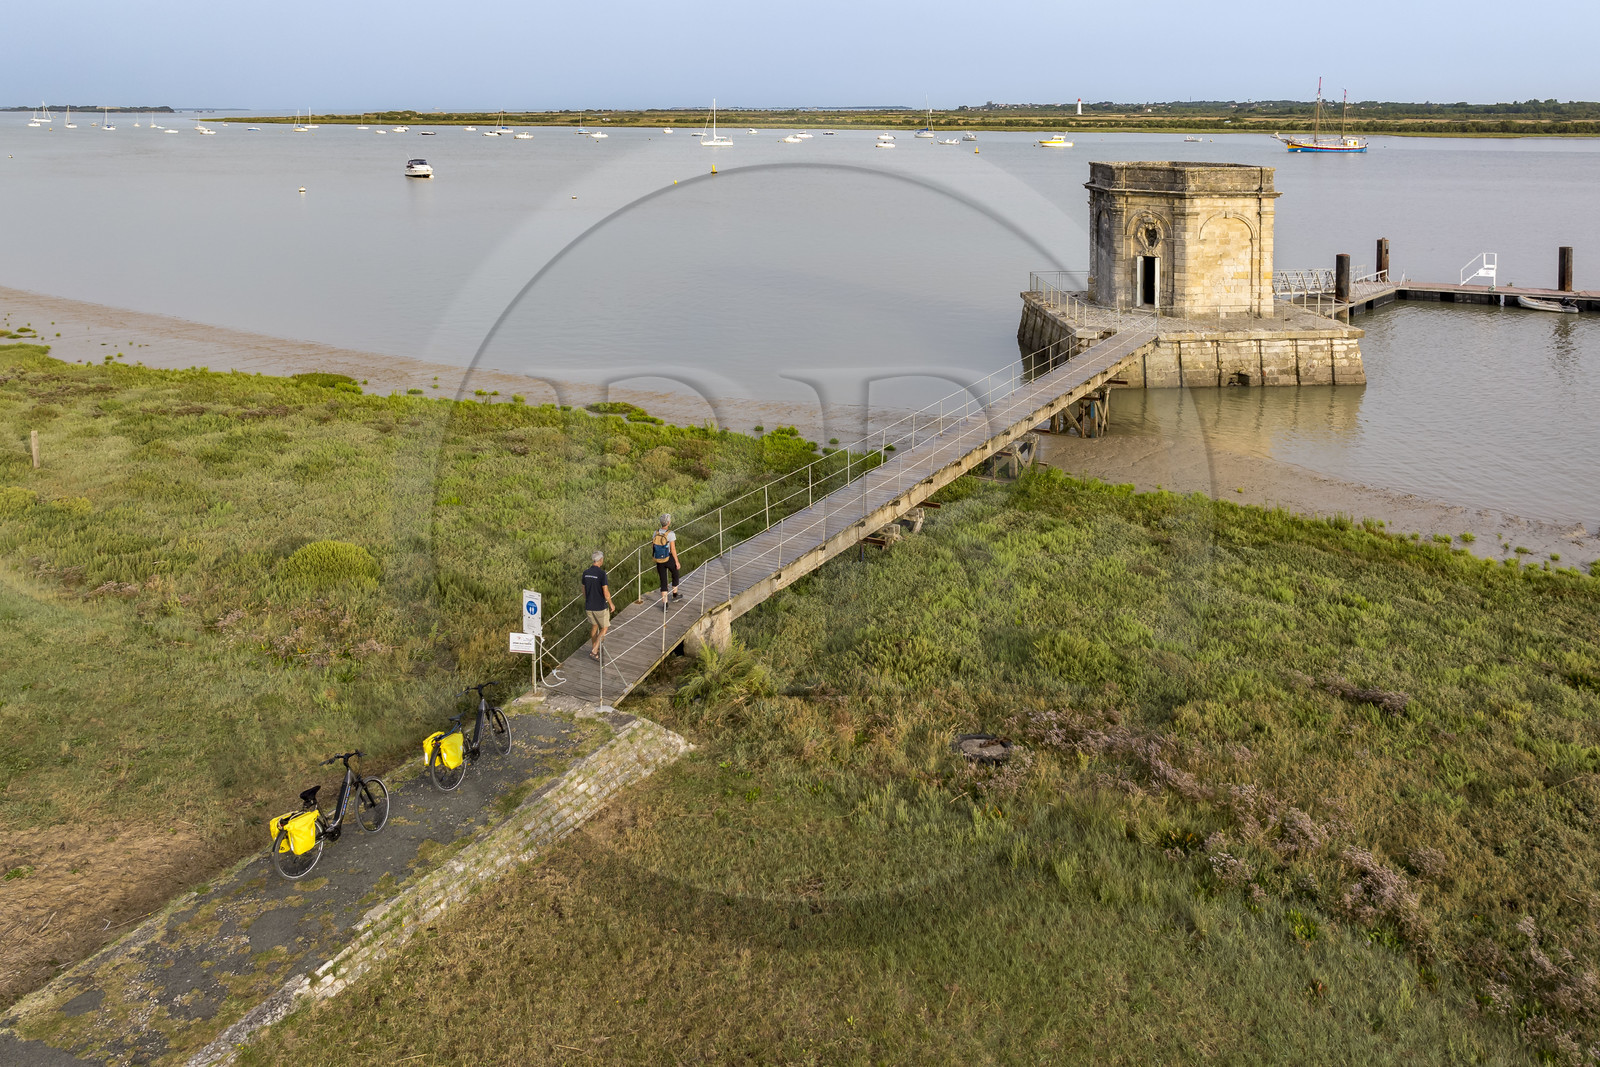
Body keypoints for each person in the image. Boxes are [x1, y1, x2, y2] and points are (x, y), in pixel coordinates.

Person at [581, 550, 614, 660]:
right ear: (600, 560)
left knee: (594, 627)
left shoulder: (585, 573)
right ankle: (594, 650)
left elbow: (583, 591)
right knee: (604, 628)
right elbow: (605, 592)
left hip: (589, 606)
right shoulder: (602, 574)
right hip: (600, 606)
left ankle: (595, 648)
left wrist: (589, 599)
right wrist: (611, 603)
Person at [651, 512, 682, 609]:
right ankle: (675, 595)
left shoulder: (655, 533)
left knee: (663, 580)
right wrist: (677, 561)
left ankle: (665, 605)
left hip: (659, 560)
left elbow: (653, 546)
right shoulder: (671, 534)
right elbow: (673, 549)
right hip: (668, 558)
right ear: (668, 522)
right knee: (675, 572)